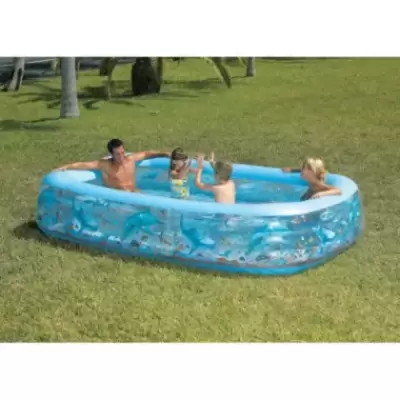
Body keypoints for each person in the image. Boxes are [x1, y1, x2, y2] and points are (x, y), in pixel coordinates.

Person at [54, 138, 171, 192]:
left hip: (135, 191)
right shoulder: (106, 165)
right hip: (118, 197)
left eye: (122, 152)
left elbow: (146, 154)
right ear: (111, 154)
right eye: (117, 154)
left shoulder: (130, 159)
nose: (121, 156)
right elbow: (84, 165)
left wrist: (165, 154)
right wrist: (66, 167)